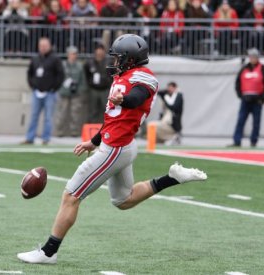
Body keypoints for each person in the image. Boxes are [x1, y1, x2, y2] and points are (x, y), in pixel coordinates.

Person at [17, 34, 207, 264]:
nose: (115, 62)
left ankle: (48, 252)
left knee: (71, 195)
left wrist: (122, 100)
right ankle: (172, 178)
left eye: (119, 58)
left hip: (116, 148)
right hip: (117, 144)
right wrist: (94, 141)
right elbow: (112, 118)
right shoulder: (124, 76)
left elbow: (136, 99)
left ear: (131, 59)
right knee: (123, 200)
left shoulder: (143, 77)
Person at [23, 38, 65, 145]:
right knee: (34, 116)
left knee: (48, 117)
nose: (43, 48)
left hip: (49, 93)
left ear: (49, 46)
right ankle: (30, 137)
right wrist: (32, 85)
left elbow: (60, 75)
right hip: (37, 92)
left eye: (45, 45)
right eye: (41, 45)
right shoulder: (35, 58)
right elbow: (29, 73)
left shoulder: (55, 59)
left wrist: (53, 88)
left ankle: (46, 138)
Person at [230, 49, 264, 148]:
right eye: (251, 56)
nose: (252, 58)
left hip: (257, 100)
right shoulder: (244, 69)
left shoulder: (263, 69)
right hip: (245, 100)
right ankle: (237, 140)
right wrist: (240, 95)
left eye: (254, 57)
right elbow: (238, 82)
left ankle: (254, 141)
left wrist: (263, 98)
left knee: (256, 122)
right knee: (241, 120)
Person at [55, 46, 86, 137]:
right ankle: (59, 132)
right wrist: (61, 89)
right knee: (62, 113)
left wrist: (79, 90)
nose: (74, 56)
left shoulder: (80, 66)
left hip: (76, 94)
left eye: (75, 54)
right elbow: (58, 78)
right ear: (68, 54)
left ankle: (74, 132)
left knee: (75, 113)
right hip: (64, 93)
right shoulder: (62, 65)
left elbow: (83, 80)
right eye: (72, 54)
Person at [84, 44, 112, 123]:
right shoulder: (89, 62)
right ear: (95, 52)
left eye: (101, 51)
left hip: (105, 90)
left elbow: (112, 75)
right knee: (93, 110)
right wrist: (89, 84)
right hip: (94, 90)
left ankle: (107, 127)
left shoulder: (109, 62)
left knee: (107, 110)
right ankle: (92, 128)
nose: (99, 53)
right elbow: (86, 75)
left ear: (104, 52)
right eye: (98, 51)